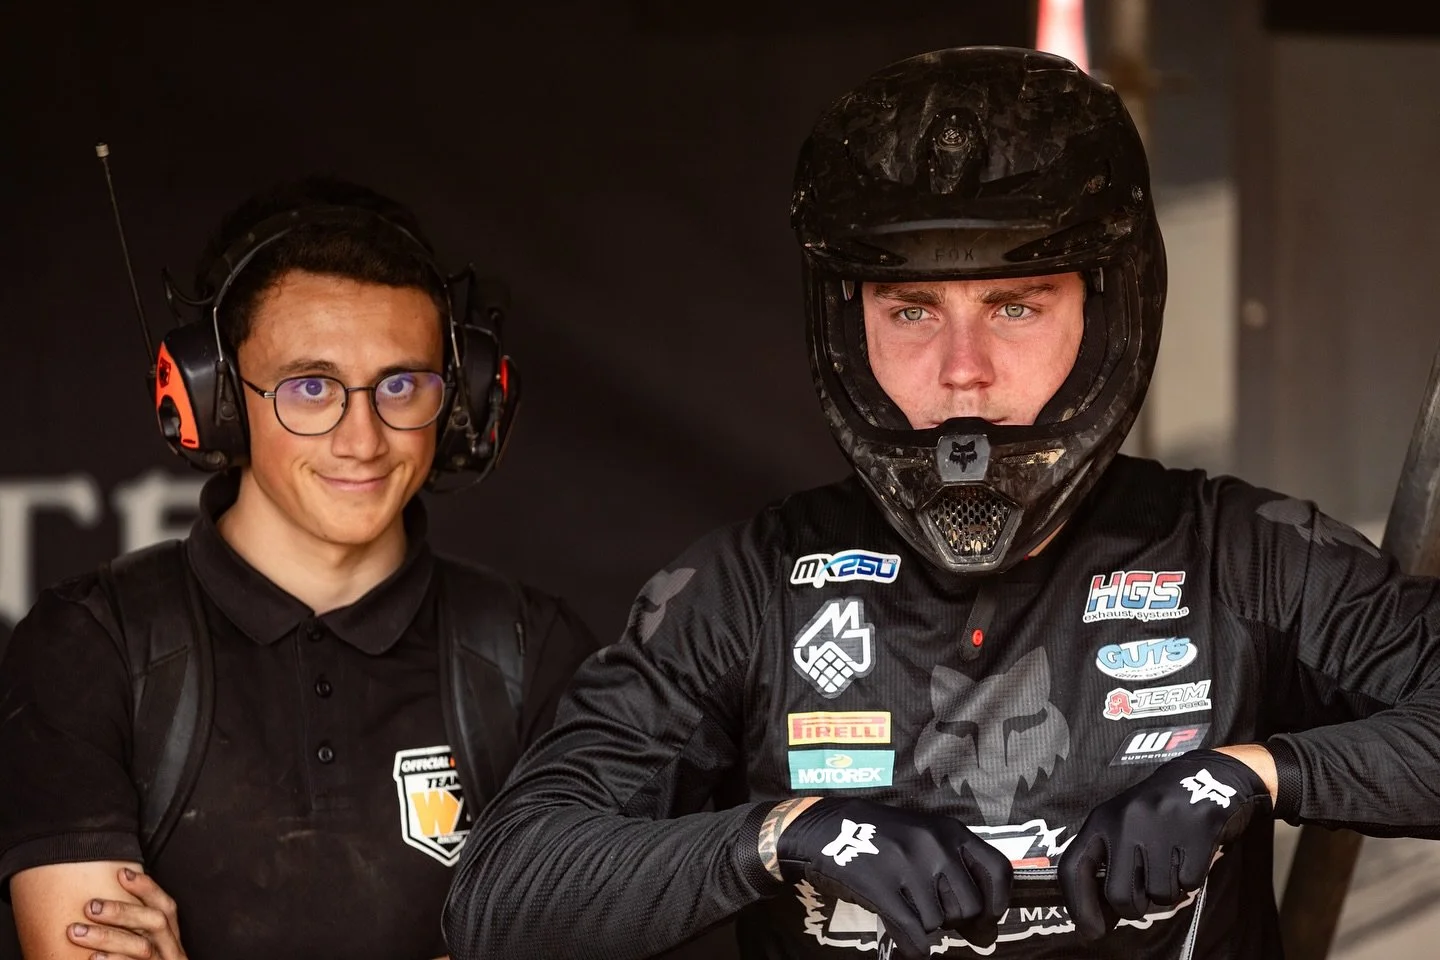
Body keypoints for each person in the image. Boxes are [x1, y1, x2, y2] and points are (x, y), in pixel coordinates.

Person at [440, 45, 1440, 960]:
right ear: (848, 324)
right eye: (912, 309)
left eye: (1016, 304)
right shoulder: (749, 589)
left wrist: (1256, 774)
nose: (964, 370)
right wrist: (781, 836)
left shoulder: (1242, 555)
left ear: (1108, 308)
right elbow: (505, 899)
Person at [0, 176, 599, 959]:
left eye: (402, 384)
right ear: (215, 401)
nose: (363, 439)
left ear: (463, 402)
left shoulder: (535, 653)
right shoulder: (90, 646)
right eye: (311, 387)